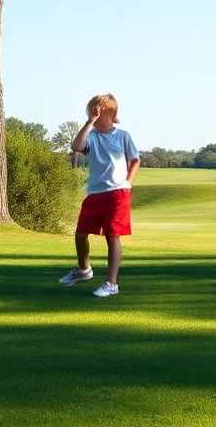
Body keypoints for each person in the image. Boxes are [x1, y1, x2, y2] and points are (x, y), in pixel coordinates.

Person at [59, 94, 140, 298]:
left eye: (97, 112)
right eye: (90, 112)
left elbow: (135, 160)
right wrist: (89, 122)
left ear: (111, 114)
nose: (93, 115)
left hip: (117, 194)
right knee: (80, 234)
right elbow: (76, 146)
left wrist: (128, 183)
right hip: (94, 193)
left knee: (113, 237)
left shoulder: (123, 136)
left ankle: (111, 283)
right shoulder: (92, 136)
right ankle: (83, 269)